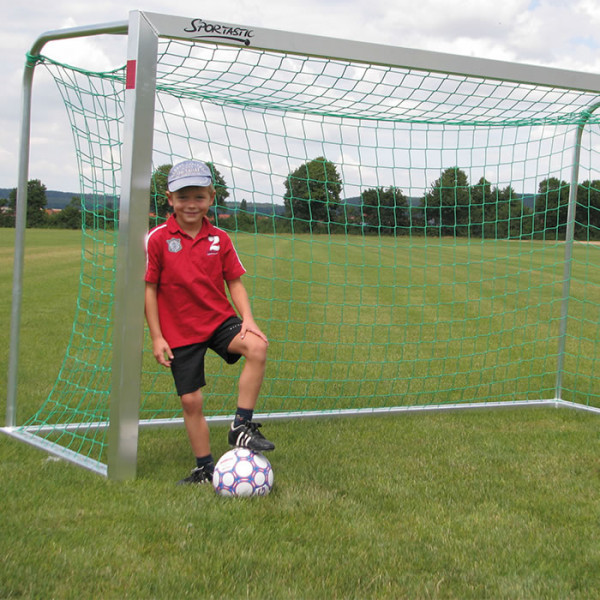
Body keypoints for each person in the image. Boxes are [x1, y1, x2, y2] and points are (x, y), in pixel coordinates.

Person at [144, 159, 274, 485]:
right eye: (183, 196)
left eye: (199, 196)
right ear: (169, 198)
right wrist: (157, 337)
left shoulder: (220, 238)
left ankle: (240, 426)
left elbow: (235, 282)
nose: (191, 204)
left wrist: (248, 319)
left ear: (211, 198)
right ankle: (204, 468)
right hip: (179, 330)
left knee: (257, 346)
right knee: (191, 401)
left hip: (218, 320)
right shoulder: (158, 239)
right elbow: (149, 290)